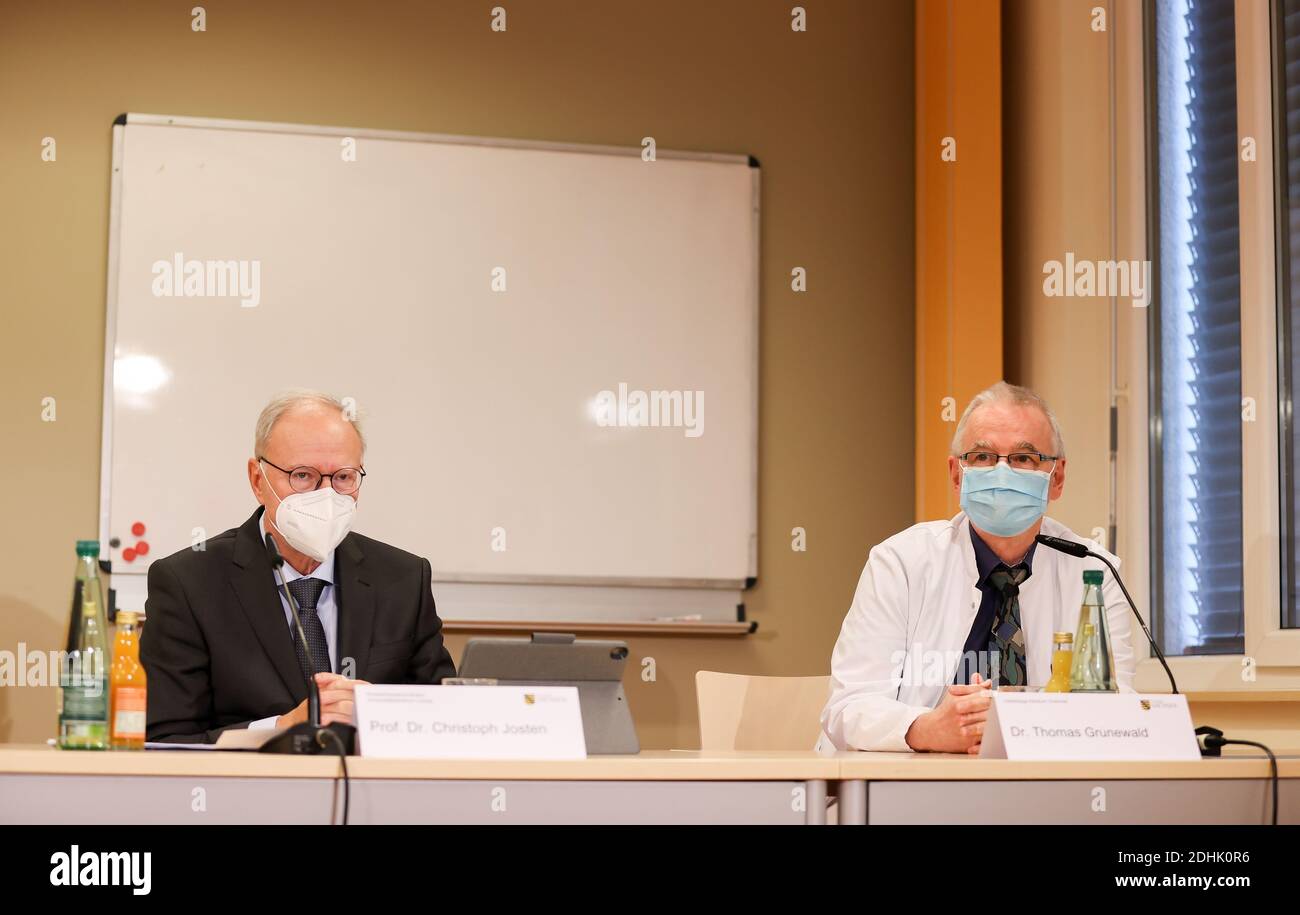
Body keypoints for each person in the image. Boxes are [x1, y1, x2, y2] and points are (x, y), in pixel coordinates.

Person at [820, 381, 1135, 753]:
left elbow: (1118, 708)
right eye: (983, 457)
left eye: (1023, 458)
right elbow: (848, 708)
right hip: (908, 790)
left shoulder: (1093, 571)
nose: (1002, 473)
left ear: (1057, 477)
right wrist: (928, 728)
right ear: (957, 474)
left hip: (1041, 789)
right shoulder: (900, 563)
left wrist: (1031, 724)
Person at [142, 390, 456, 743]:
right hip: (243, 795)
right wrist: (280, 728)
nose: (326, 495)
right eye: (303, 475)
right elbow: (166, 740)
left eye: (343, 477)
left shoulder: (403, 580)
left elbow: (447, 721)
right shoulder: (189, 583)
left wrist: (379, 714)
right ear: (257, 480)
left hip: (371, 794)